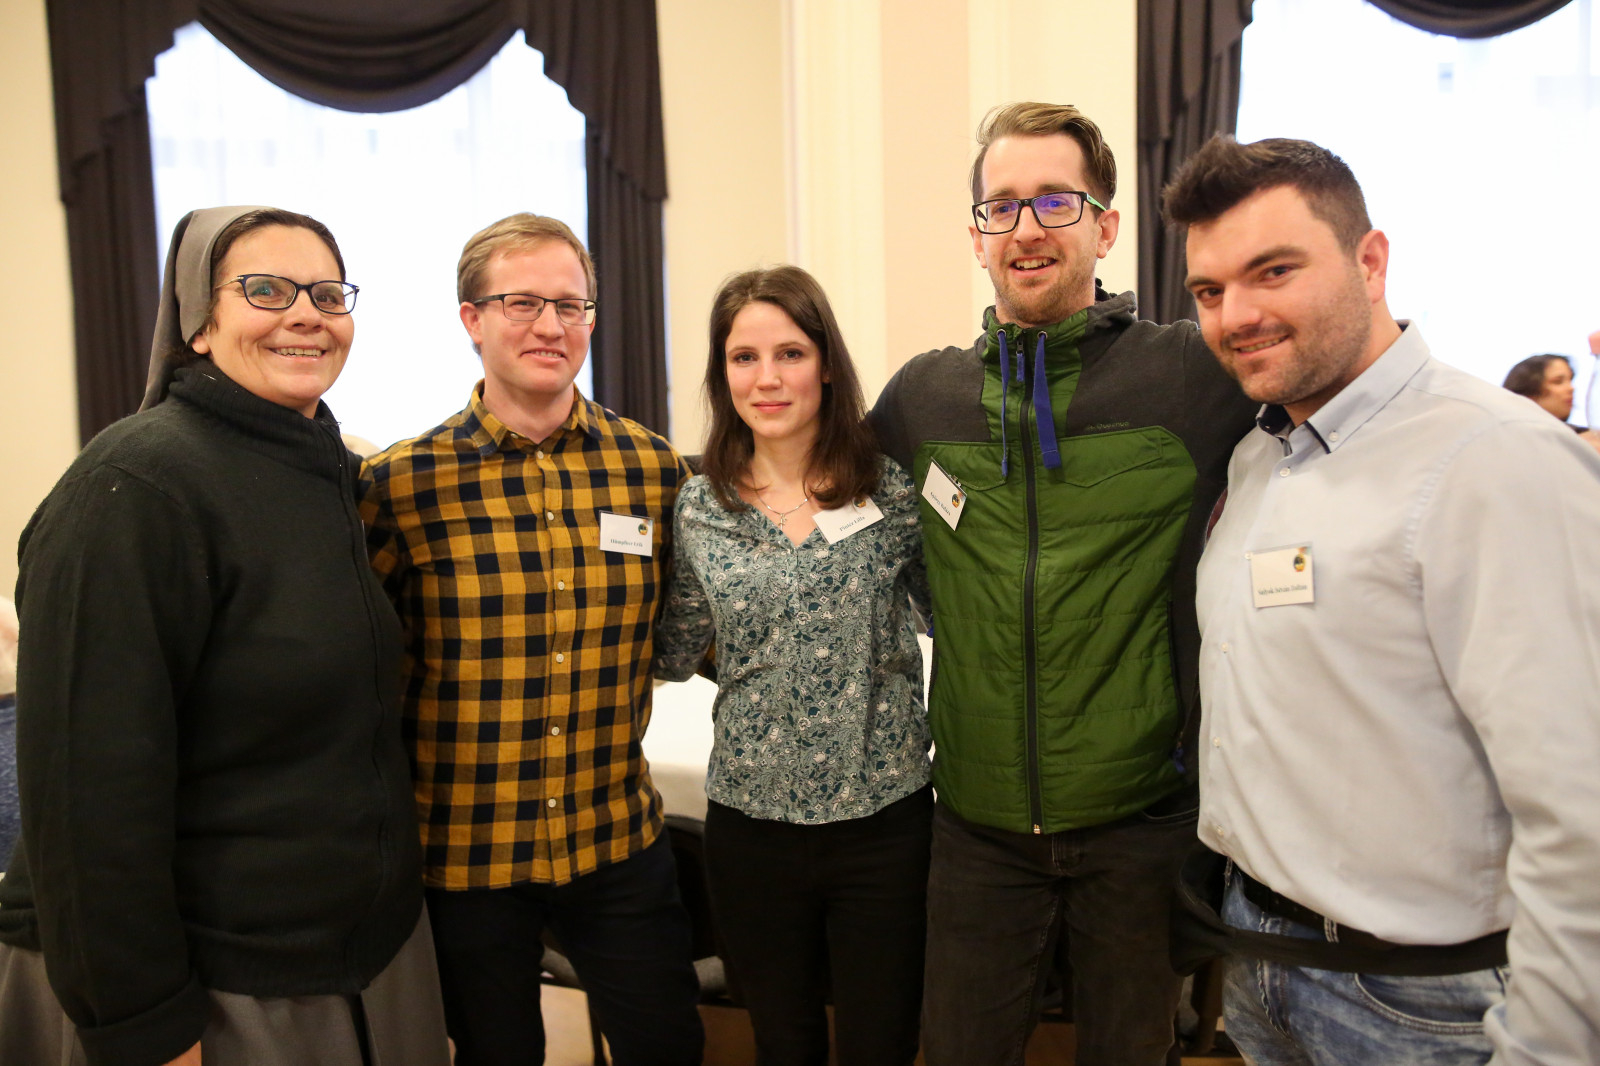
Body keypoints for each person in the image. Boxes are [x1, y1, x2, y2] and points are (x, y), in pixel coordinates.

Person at [1165, 135, 1600, 1066]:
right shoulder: (1259, 456)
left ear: (1370, 262)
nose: (1237, 314)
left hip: (1421, 1004)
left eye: (1273, 271)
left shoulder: (1495, 461)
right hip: (1263, 965)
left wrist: (1551, 1047)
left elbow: (1583, 808)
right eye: (1209, 290)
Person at [0, 206, 448, 1066]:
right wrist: (141, 1022)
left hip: (342, 948)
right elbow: (87, 794)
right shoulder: (135, 488)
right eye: (266, 290)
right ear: (199, 325)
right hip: (215, 982)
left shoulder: (326, 468)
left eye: (327, 293)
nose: (305, 314)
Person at [867, 101, 1257, 1065]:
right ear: (977, 236)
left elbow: (1326, 397)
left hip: (1140, 818)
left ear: (1106, 227)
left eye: (1055, 201)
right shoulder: (924, 398)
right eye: (1001, 206)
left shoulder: (1189, 375)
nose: (1027, 227)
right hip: (976, 823)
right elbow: (827, 500)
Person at [360, 213, 703, 1066]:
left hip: (614, 840)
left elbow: (699, 628)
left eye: (569, 305)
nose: (550, 325)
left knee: (670, 1047)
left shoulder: (653, 470)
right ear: (471, 319)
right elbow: (358, 670)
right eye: (522, 303)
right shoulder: (400, 486)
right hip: (465, 859)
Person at [655, 266, 932, 1066]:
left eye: (790, 353)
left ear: (827, 365)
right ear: (723, 375)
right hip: (751, 827)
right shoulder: (700, 506)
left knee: (882, 1044)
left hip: (883, 823)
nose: (767, 378)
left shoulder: (891, 493)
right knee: (782, 1042)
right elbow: (676, 646)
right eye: (744, 358)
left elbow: (957, 618)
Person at [1502, 353, 1600, 452]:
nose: (1571, 388)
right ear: (1528, 391)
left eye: (1570, 380)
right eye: (1558, 381)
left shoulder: (1587, 438)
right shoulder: (1508, 440)